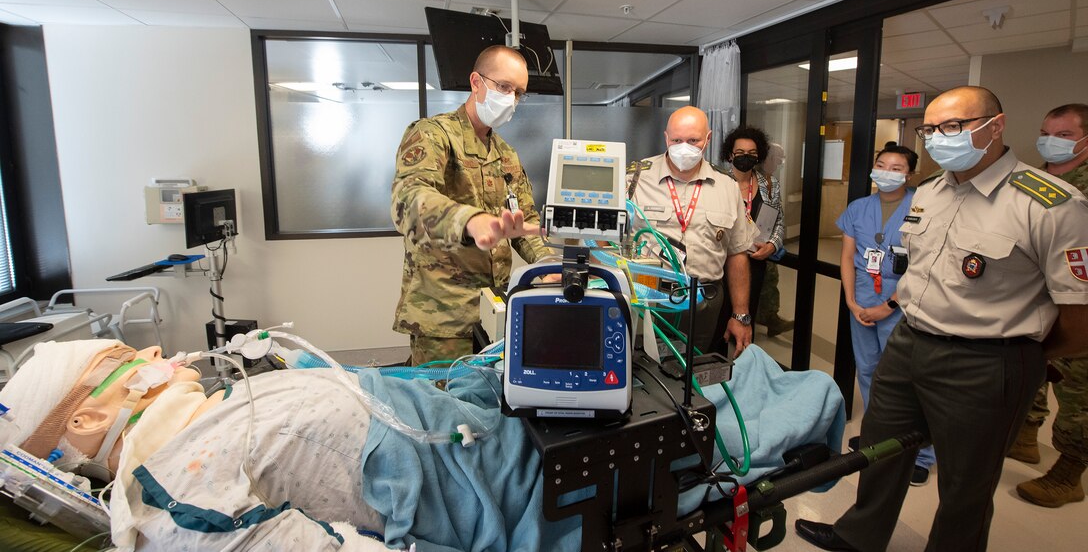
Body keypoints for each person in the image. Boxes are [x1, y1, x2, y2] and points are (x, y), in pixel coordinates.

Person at [0, 339, 845, 552]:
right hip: (473, 469)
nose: (154, 355)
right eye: (123, 364)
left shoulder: (202, 416)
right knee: (705, 425)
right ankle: (761, 414)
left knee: (591, 384)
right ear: (83, 425)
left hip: (439, 412)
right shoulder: (170, 498)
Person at [795, 86, 1088, 552]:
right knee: (878, 449)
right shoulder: (929, 193)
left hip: (986, 361)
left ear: (996, 126)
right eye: (931, 129)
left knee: (966, 485)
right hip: (910, 343)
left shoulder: (1049, 204)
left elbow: (1079, 318)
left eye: (952, 126)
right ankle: (859, 536)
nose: (937, 137)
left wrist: (1020, 356)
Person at [390, 45, 553, 365]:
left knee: (487, 406)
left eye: (519, 93)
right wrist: (470, 220)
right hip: (444, 317)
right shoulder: (433, 135)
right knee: (444, 410)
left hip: (496, 310)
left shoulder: (506, 155)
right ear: (476, 82)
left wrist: (546, 265)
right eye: (504, 87)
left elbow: (524, 222)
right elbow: (409, 197)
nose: (511, 99)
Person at [836, 142, 936, 485]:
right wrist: (851, 300)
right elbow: (848, 257)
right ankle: (878, 437)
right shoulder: (858, 207)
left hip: (903, 300)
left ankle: (920, 452)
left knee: (907, 377)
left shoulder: (923, 208)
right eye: (882, 165)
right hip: (862, 296)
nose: (887, 172)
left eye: (897, 168)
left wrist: (888, 306)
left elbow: (924, 266)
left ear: (909, 174)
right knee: (868, 370)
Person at [1006, 103, 1088, 508]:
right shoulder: (1035, 179)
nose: (1051, 141)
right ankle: (1025, 437)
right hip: (1037, 299)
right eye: (1046, 132)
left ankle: (1068, 475)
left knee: (1078, 392)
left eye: (1065, 135)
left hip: (1080, 305)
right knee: (1034, 369)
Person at [626, 106, 757, 357]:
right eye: (676, 140)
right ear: (666, 138)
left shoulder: (727, 187)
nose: (683, 147)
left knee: (691, 374)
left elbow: (737, 253)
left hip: (704, 301)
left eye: (693, 140)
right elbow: (604, 241)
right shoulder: (634, 178)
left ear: (708, 139)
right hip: (649, 298)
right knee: (644, 372)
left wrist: (741, 315)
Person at [720, 126, 790, 337]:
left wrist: (772, 245)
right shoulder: (719, 183)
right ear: (730, 155)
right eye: (740, 153)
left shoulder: (770, 184)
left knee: (747, 315)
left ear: (758, 155)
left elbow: (779, 220)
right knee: (721, 319)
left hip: (756, 261)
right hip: (724, 261)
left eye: (751, 154)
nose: (745, 158)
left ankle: (744, 359)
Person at [755, 143, 794, 337]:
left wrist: (774, 242)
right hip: (749, 240)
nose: (779, 162)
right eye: (778, 158)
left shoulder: (773, 182)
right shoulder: (751, 179)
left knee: (770, 278)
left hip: (767, 239)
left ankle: (770, 318)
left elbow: (778, 214)